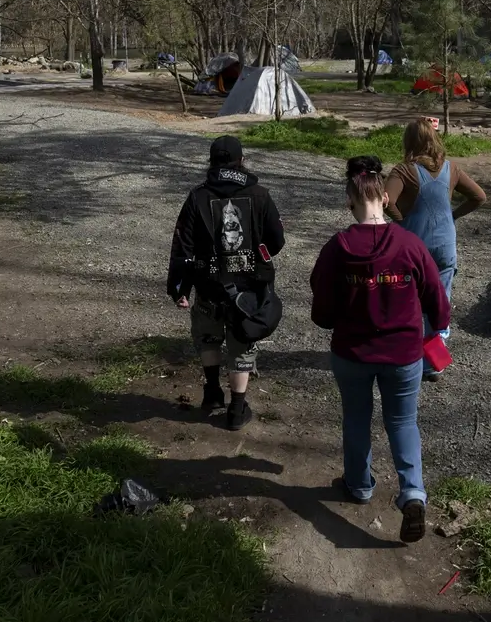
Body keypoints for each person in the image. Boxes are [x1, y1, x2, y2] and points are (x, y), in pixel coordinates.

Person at [310, 156, 450, 543]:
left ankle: (358, 485)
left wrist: (332, 317)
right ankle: (413, 493)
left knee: (356, 419)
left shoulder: (337, 248)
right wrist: (437, 325)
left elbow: (321, 306)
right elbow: (436, 297)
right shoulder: (410, 245)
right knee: (403, 422)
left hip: (352, 353)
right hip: (404, 354)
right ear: (385, 200)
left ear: (349, 201)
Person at [167, 135, 285, 430]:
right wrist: (258, 255)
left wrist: (179, 287)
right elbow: (277, 240)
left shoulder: (197, 196)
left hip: (208, 285)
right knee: (241, 344)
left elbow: (183, 245)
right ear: (241, 160)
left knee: (208, 336)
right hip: (249, 288)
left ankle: (211, 392)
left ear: (211, 162)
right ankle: (236, 409)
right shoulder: (260, 194)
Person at [383, 118, 486, 379]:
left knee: (405, 301)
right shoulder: (452, 169)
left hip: (413, 247)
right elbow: (479, 197)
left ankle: (403, 358)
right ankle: (433, 363)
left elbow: (386, 201)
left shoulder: (403, 170)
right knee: (439, 303)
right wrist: (453, 216)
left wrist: (401, 221)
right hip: (445, 245)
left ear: (409, 141)